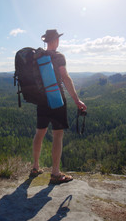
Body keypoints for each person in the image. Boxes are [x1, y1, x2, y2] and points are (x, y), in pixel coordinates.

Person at [29, 29, 87, 184]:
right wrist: (76, 99)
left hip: (41, 100)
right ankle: (55, 173)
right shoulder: (58, 56)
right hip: (57, 100)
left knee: (39, 133)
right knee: (57, 135)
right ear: (56, 40)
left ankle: (35, 166)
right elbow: (65, 77)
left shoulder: (37, 57)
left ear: (46, 41)